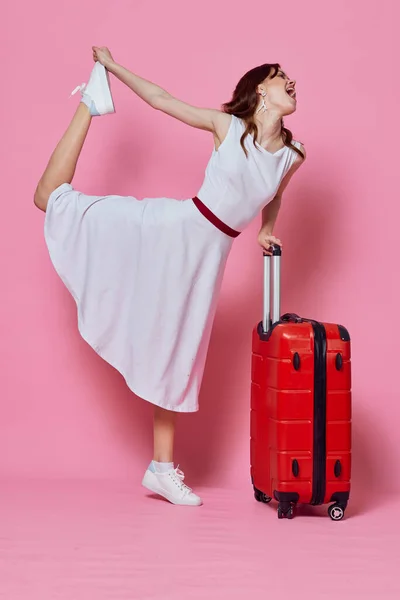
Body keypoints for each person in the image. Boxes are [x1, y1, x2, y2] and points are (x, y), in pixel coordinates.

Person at [34, 46, 306, 507]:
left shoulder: (293, 154)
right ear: (261, 89)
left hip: (209, 257)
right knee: (54, 202)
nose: (291, 83)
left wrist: (266, 230)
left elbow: (274, 195)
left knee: (178, 350)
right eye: (282, 77)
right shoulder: (229, 127)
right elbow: (162, 99)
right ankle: (90, 103)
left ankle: (161, 468)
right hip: (175, 230)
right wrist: (115, 68)